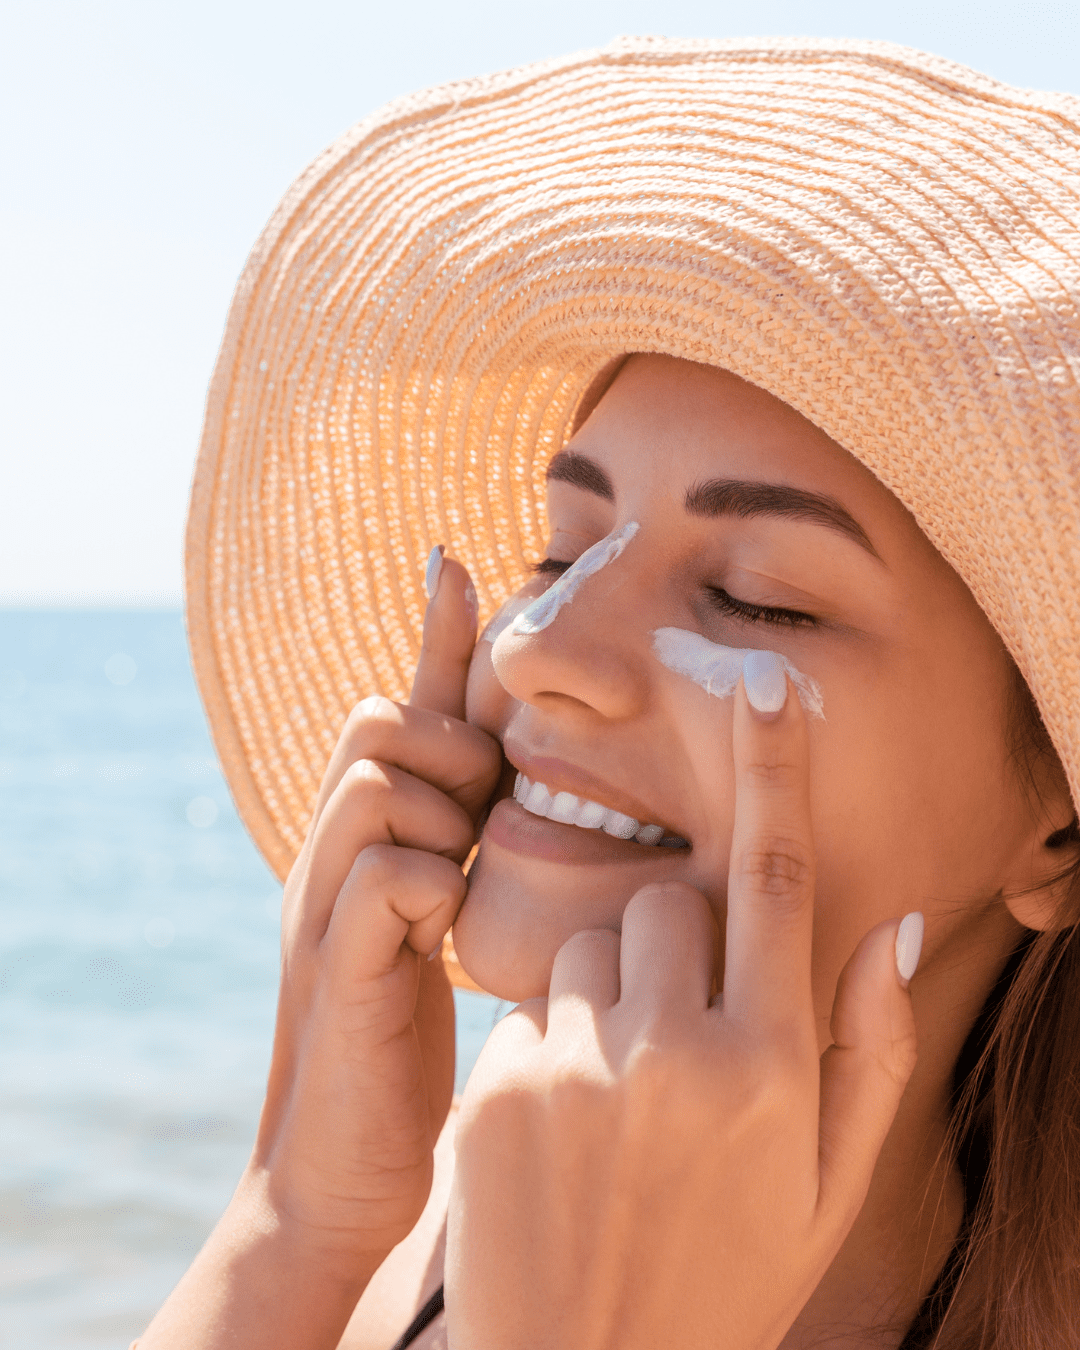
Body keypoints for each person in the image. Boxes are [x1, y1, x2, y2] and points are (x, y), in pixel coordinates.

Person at [139, 36, 1080, 1350]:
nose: (539, 647)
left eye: (758, 597)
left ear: (1059, 829)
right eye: (561, 554)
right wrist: (298, 1210)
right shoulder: (450, 1205)